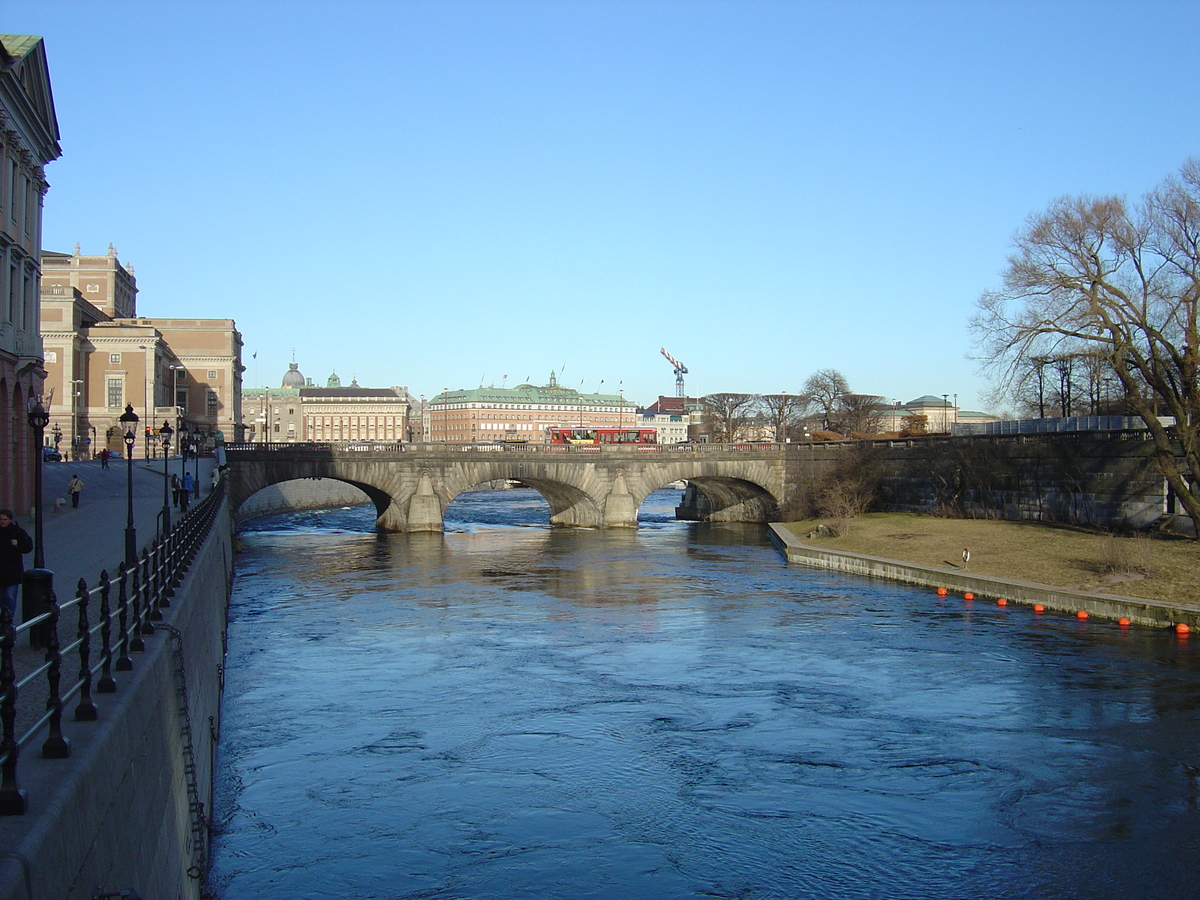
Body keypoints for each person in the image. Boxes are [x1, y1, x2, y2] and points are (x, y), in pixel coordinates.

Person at [0, 509, 33, 624]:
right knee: (1, 599)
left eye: (5, 519)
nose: (2, 521)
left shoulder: (17, 532)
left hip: (12, 571)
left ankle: (8, 622)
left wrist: (17, 545)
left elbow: (28, 547)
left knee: (9, 597)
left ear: (10, 520)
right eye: (1, 519)